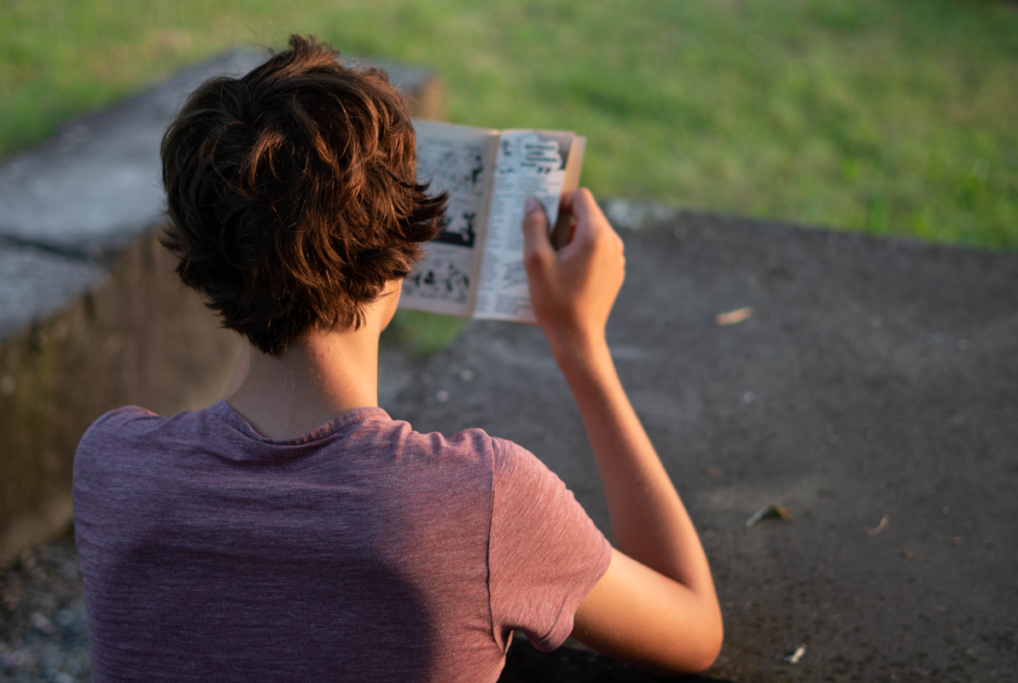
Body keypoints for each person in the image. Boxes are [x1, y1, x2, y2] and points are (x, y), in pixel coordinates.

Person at [73, 35, 721, 682]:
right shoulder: (484, 500)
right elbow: (694, 630)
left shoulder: (113, 468)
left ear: (202, 260)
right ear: (405, 254)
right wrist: (581, 346)